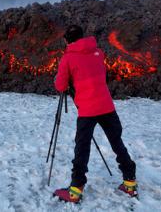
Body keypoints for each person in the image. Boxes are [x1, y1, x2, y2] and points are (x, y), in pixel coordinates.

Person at [52, 25, 137, 203]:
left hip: (87, 110)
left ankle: (75, 190)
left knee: (82, 147)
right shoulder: (98, 53)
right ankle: (130, 183)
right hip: (106, 105)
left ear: (68, 40)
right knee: (117, 142)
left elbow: (60, 86)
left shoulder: (67, 58)